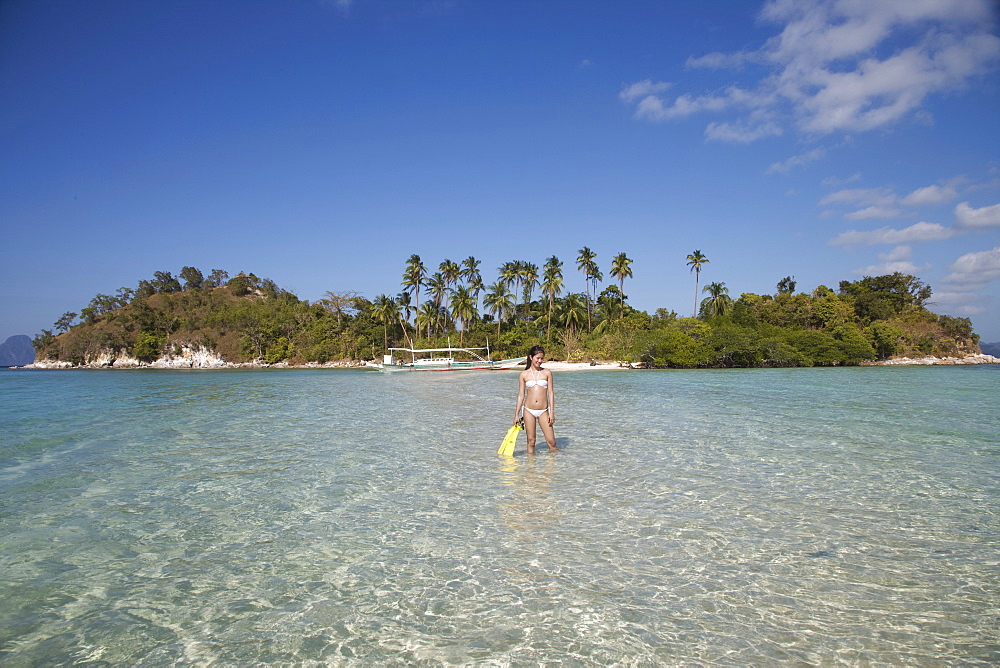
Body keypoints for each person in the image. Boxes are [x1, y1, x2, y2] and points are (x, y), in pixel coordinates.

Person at [514, 345, 556, 454]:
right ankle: (531, 468)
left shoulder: (547, 373)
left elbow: (550, 393)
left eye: (542, 358)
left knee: (551, 442)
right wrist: (516, 415)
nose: (540, 361)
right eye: (538, 358)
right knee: (531, 441)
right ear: (531, 357)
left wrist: (551, 412)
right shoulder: (524, 374)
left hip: (543, 411)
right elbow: (521, 395)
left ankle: (553, 466)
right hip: (529, 410)